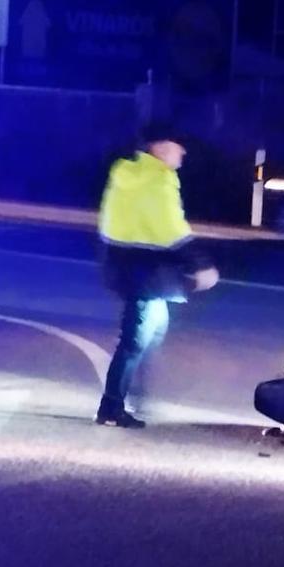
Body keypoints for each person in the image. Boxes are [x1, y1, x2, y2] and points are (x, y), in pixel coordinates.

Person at [95, 125, 219, 428]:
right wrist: (202, 265)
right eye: (178, 147)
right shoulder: (158, 180)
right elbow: (171, 230)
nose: (183, 152)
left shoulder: (125, 174)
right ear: (161, 149)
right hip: (147, 274)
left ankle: (132, 394)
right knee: (135, 341)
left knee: (151, 333)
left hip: (125, 265)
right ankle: (112, 406)